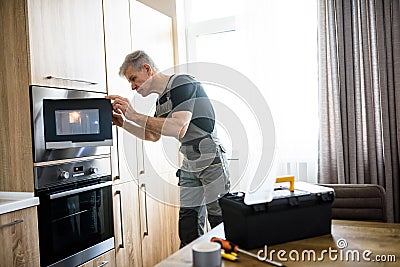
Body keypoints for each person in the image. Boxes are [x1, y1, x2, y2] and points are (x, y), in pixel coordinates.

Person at [107, 50, 230, 248]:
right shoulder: (161, 101)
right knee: (188, 225)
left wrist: (134, 115)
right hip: (189, 163)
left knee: (218, 220)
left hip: (211, 159)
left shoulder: (182, 84)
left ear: (147, 69)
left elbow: (178, 128)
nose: (132, 86)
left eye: (133, 78)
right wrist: (124, 123)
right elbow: (153, 135)